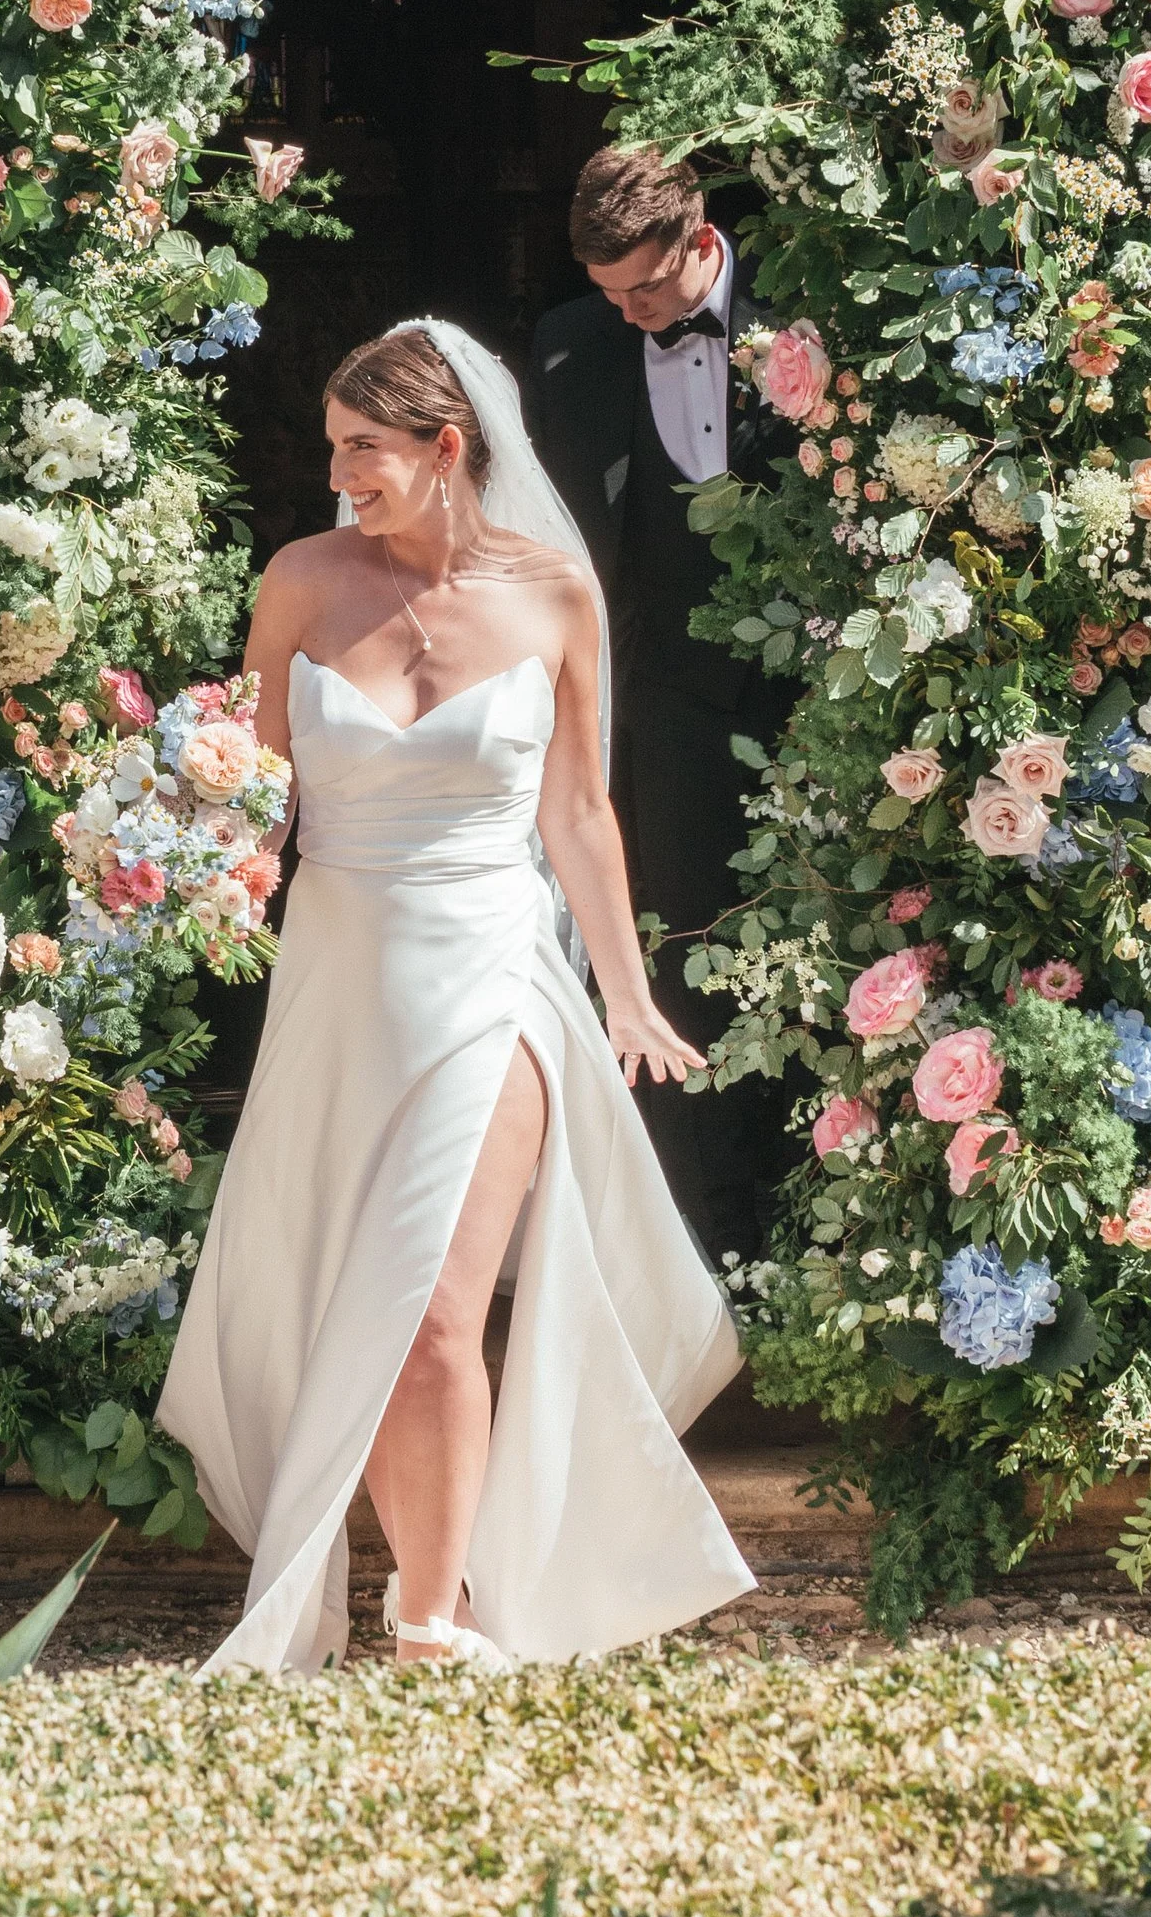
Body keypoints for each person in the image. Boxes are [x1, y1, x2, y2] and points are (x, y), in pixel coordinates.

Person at [157, 320, 752, 1673]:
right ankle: (424, 1585)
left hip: (494, 967)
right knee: (351, 1297)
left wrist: (627, 995)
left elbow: (584, 816)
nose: (339, 475)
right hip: (338, 979)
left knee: (437, 1301)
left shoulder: (552, 594)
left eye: (363, 450)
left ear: (445, 448)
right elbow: (251, 789)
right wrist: (178, 867)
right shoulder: (303, 581)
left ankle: (433, 1610)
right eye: (328, 449)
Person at [525, 146, 787, 1267]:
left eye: (646, 289)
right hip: (672, 710)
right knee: (686, 954)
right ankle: (718, 1239)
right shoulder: (568, 347)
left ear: (699, 238)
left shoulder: (812, 308)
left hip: (837, 699)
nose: (629, 312)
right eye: (608, 294)